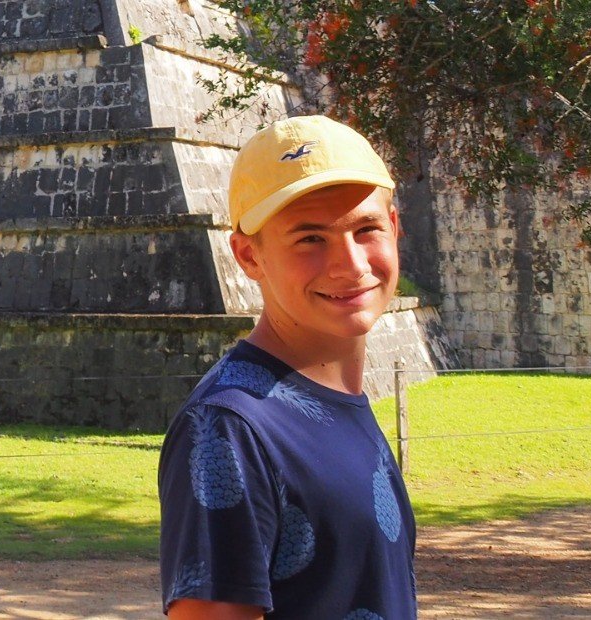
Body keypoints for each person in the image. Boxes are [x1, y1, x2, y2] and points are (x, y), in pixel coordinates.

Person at [159, 115, 417, 620]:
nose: (351, 264)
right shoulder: (230, 428)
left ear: (395, 226)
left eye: (366, 229)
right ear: (248, 255)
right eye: (310, 239)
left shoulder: (331, 401)